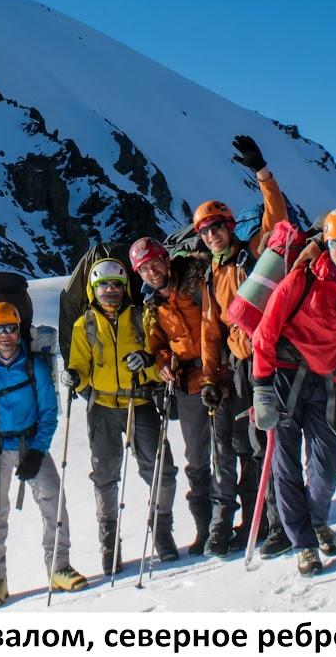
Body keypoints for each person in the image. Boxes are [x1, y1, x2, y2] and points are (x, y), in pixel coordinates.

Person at [249, 207, 336, 575]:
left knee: (328, 464)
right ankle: (304, 544)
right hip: (285, 377)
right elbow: (265, 334)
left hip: (325, 382)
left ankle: (317, 519)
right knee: (286, 464)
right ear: (328, 244)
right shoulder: (302, 279)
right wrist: (261, 388)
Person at [179, 134, 291, 557]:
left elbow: (276, 217)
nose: (211, 235)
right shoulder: (211, 275)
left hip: (267, 362)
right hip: (238, 367)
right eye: (204, 231)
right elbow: (212, 330)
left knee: (267, 443)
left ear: (230, 226)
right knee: (244, 446)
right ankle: (256, 519)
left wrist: (261, 172)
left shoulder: (251, 255)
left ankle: (278, 522)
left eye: (216, 227)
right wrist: (210, 376)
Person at [0, 301, 90, 607]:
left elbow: (48, 413)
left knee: (54, 501)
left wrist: (37, 451)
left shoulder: (36, 367)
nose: (5, 335)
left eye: (11, 328)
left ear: (19, 331)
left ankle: (59, 568)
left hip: (31, 443)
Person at [62, 258, 178, 573]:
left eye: (116, 285)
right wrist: (73, 376)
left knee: (161, 471)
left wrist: (148, 362)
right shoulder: (83, 324)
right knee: (105, 476)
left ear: (125, 287)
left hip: (139, 403)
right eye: (104, 286)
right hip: (102, 406)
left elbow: (159, 363)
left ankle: (162, 530)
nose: (111, 291)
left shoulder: (144, 317)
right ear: (93, 289)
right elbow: (81, 366)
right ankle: (109, 543)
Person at [129, 234, 224, 557]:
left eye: (155, 263)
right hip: (187, 384)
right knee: (197, 460)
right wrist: (161, 363)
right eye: (144, 269)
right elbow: (156, 346)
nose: (152, 272)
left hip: (221, 375)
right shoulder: (151, 305)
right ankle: (206, 528)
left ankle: (236, 521)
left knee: (231, 450)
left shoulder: (199, 284)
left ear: (167, 260)